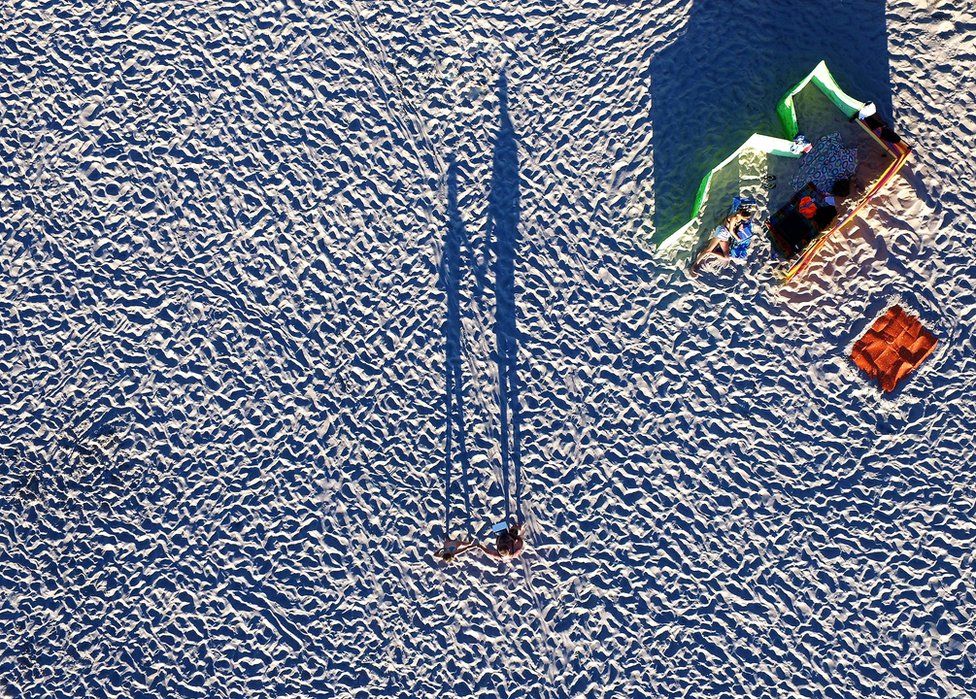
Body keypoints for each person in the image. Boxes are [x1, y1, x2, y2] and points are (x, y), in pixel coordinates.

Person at [690, 202, 757, 276]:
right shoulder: (734, 218)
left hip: (726, 235)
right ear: (742, 216)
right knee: (708, 249)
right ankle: (695, 265)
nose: (746, 220)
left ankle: (711, 253)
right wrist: (737, 238)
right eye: (745, 218)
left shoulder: (741, 212)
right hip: (722, 232)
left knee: (727, 258)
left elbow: (749, 208)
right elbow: (731, 230)